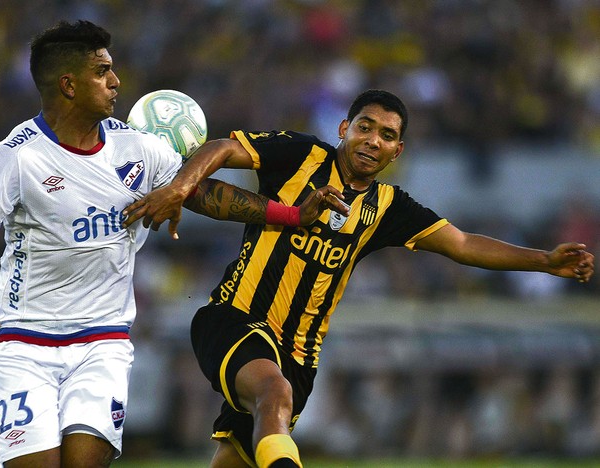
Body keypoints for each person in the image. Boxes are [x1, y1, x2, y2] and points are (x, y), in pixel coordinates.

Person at [0, 20, 346, 468]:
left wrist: (289, 214)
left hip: (102, 338)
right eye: (102, 71)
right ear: (68, 84)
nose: (116, 82)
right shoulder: (17, 156)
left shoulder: (137, 148)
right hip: (26, 339)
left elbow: (205, 194)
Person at [125, 89, 596, 468]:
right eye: (365, 128)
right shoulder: (301, 155)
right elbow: (223, 147)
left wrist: (543, 260)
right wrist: (180, 186)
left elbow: (463, 244)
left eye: (387, 135)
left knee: (239, 453)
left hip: (299, 355)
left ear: (398, 150)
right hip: (233, 319)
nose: (373, 140)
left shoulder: (390, 208)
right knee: (274, 394)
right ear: (344, 129)